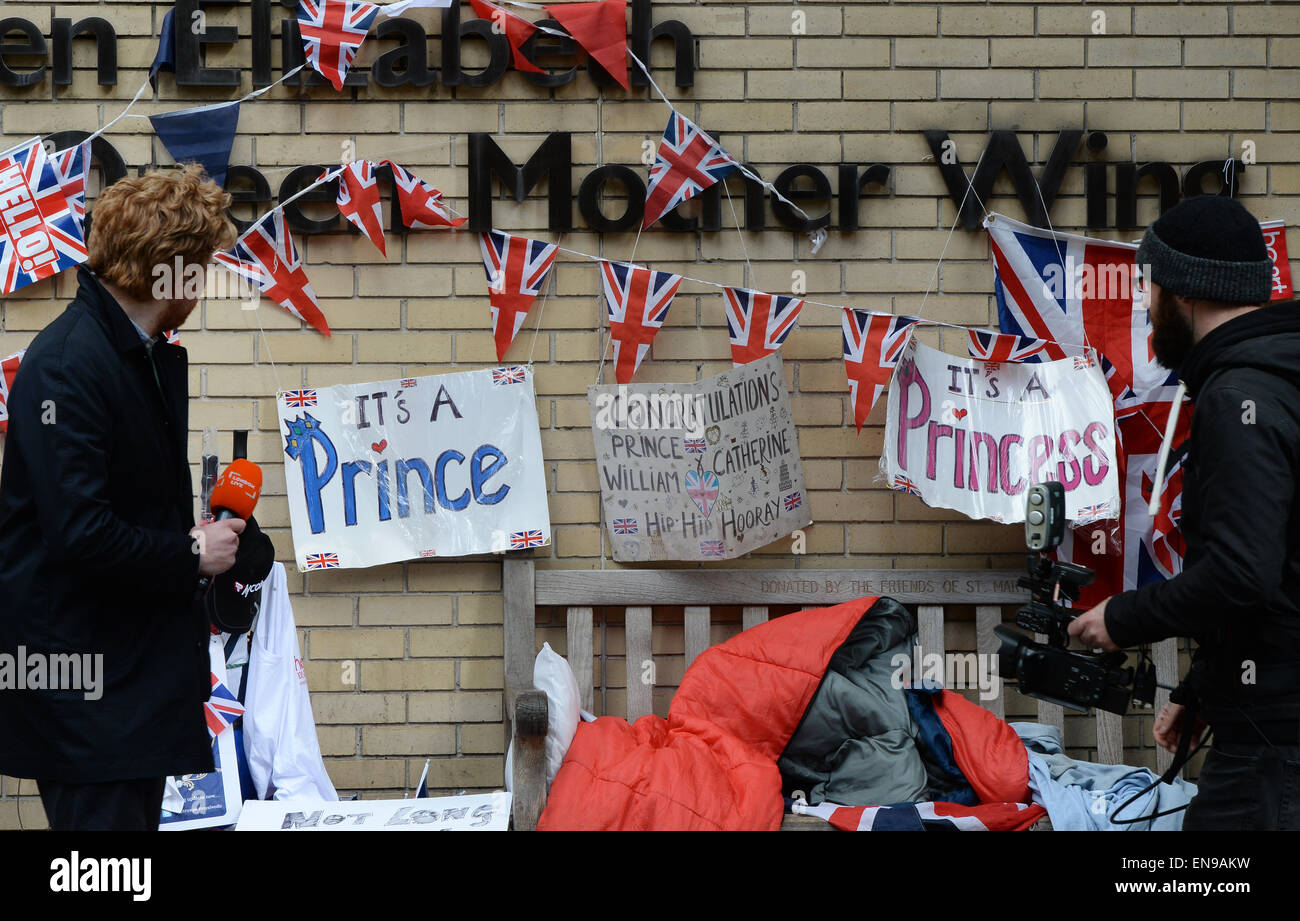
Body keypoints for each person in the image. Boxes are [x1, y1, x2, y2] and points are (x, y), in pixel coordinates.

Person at [0, 164, 244, 830]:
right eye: (203, 268)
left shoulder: (126, 353)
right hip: (87, 701)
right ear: (173, 270)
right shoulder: (69, 363)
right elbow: (79, 530)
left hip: (126, 693)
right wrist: (189, 553)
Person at [1069, 194, 1300, 830]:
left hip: (1273, 748)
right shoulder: (1275, 376)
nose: (1145, 304)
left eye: (1149, 285)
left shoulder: (1239, 396)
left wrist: (1123, 616)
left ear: (1185, 291)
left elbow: (1243, 573)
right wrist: (1202, 691)